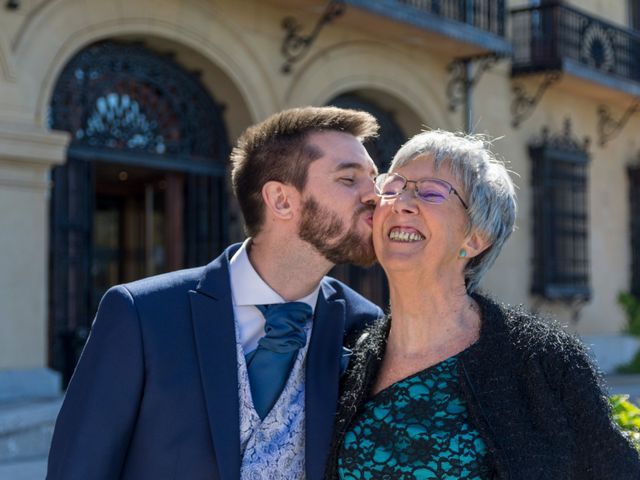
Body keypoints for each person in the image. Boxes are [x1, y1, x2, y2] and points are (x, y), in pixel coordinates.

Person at [47, 106, 385, 480]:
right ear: (281, 200)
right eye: (349, 179)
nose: (375, 196)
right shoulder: (142, 315)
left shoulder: (365, 328)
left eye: (374, 178)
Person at [326, 130, 640, 479]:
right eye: (393, 186)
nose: (401, 202)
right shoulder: (354, 357)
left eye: (431, 192)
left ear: (475, 239)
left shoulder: (543, 360)